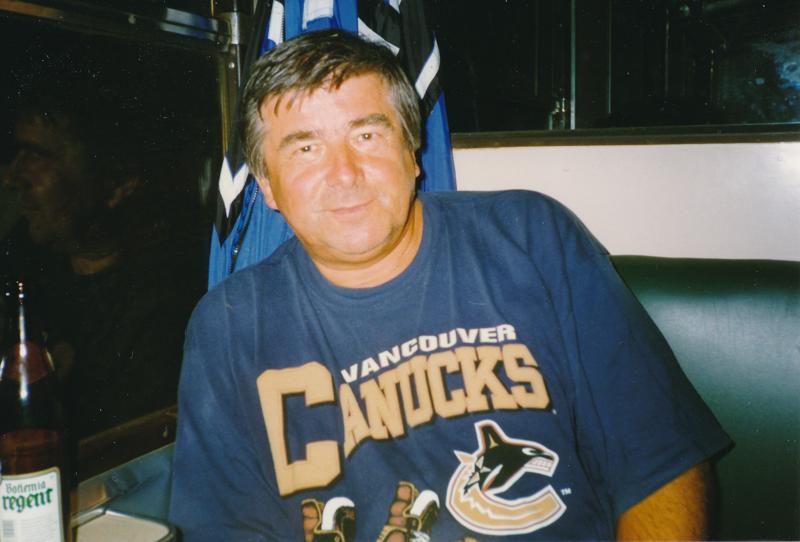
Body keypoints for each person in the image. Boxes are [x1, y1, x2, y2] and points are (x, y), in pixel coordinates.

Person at [169, 29, 730, 541]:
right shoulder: (230, 325)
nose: (344, 173)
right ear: (267, 186)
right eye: (306, 148)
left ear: (412, 151)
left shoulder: (531, 240)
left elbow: (662, 464)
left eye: (367, 134)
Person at [2, 60, 207, 440]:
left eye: (36, 156)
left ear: (116, 184)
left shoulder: (168, 301)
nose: (11, 176)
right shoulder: (19, 263)